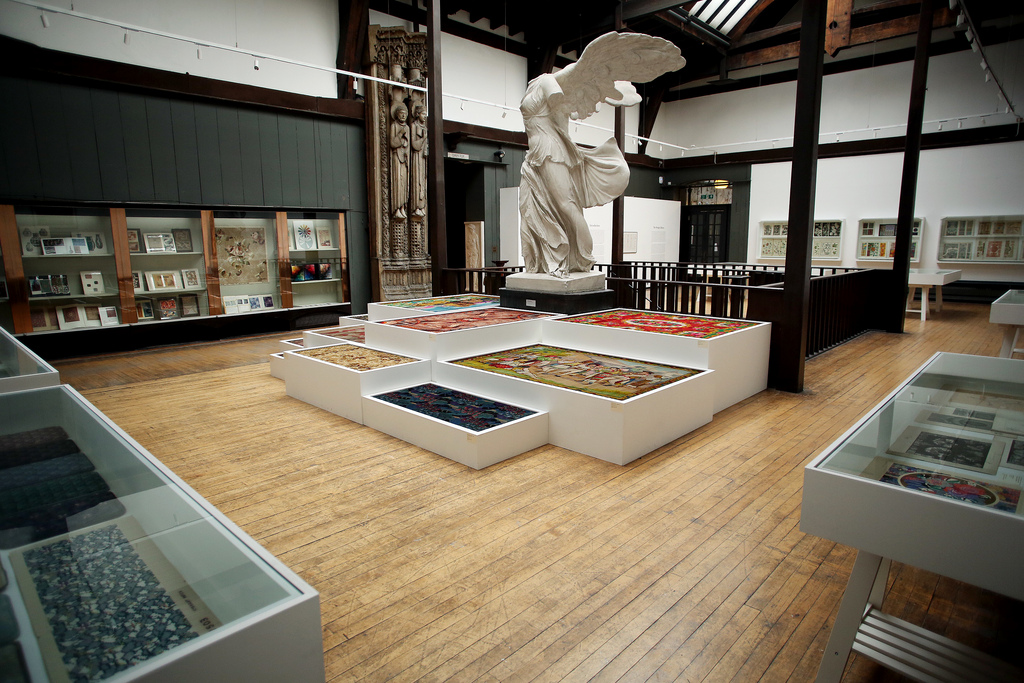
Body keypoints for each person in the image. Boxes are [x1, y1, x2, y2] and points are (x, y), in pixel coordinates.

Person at [517, 32, 685, 277]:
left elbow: (560, 105)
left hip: (550, 151)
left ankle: (582, 258)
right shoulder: (535, 84)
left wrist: (585, 76)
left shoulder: (547, 82)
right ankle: (543, 259)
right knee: (530, 207)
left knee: (566, 205)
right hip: (535, 155)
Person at [390, 102, 411, 219]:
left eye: (405, 114)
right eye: (401, 113)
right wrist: (400, 134)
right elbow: (393, 143)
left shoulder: (407, 127)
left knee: (404, 183)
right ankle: (396, 208)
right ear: (397, 114)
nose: (403, 116)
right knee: (398, 181)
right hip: (396, 158)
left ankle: (403, 207)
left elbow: (409, 145)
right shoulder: (394, 126)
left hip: (405, 158)